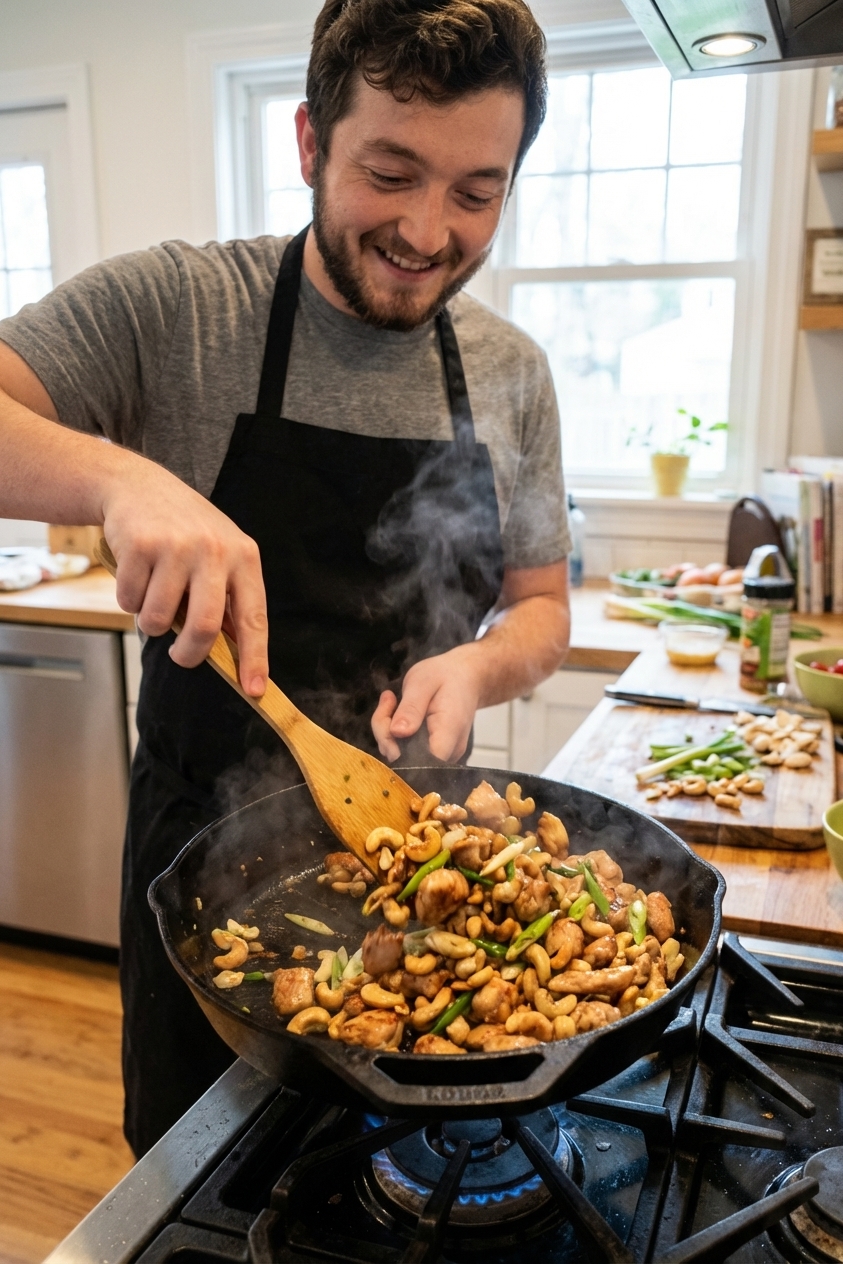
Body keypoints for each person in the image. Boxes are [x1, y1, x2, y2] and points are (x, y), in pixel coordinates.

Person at [0, 0, 571, 1155]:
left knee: (413, 1194)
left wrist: (478, 663)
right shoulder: (178, 308)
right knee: (196, 1194)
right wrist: (120, 479)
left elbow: (545, 607)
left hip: (422, 859)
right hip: (203, 871)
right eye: (391, 172)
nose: (425, 229)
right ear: (310, 142)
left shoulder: (514, 372)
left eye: (476, 192)